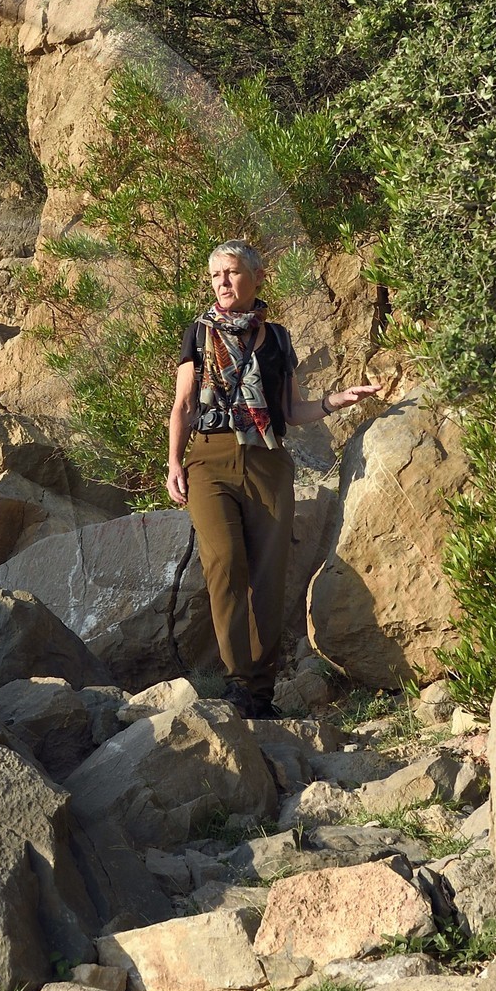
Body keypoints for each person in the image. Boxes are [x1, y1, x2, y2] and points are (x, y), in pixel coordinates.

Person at [167, 241, 379, 719]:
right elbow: (183, 404)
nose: (223, 282)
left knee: (267, 575)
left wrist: (336, 400)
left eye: (232, 272)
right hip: (210, 459)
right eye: (216, 274)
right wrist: (174, 463)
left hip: (268, 460)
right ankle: (238, 681)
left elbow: (290, 410)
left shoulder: (279, 339)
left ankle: (259, 695)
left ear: (257, 277)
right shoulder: (198, 333)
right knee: (224, 565)